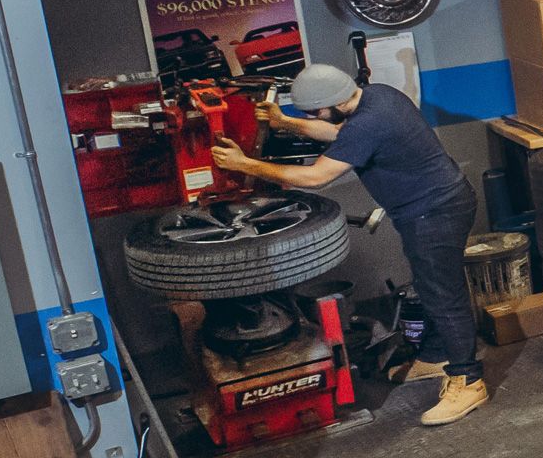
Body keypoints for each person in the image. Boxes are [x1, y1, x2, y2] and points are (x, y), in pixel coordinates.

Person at [210, 65, 490, 426]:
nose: (311, 118)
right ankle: (437, 354)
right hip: (436, 206)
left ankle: (468, 380)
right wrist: (285, 123)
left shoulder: (368, 122)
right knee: (430, 285)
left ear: (333, 101)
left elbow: (315, 176)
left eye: (313, 111)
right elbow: (340, 133)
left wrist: (246, 164)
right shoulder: (377, 97)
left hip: (434, 214)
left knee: (443, 295)